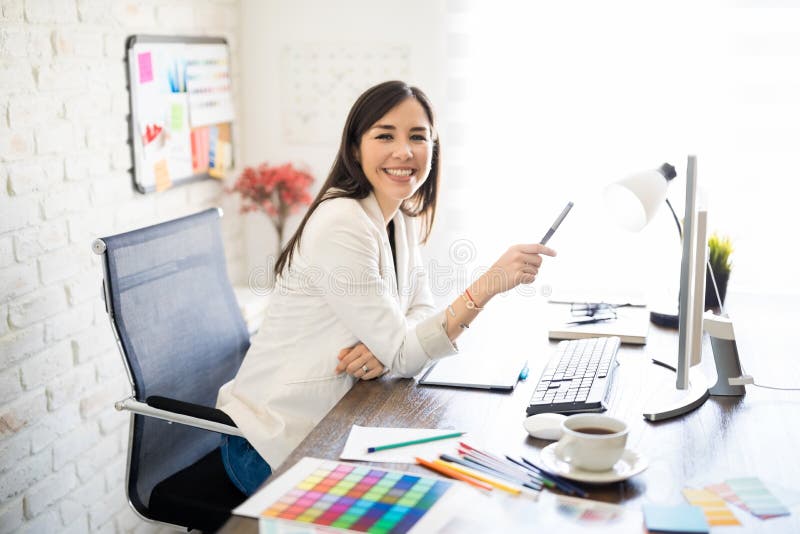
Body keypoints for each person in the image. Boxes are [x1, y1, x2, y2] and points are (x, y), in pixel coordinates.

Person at [216, 80, 556, 495]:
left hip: (337, 420)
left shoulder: (401, 215)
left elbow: (419, 311)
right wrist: (486, 287)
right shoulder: (342, 221)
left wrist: (390, 348)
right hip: (272, 439)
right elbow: (406, 352)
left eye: (418, 137)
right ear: (356, 149)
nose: (404, 151)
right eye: (385, 135)